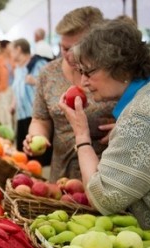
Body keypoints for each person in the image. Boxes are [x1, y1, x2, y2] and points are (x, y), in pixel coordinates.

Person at [58, 19, 150, 229]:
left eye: (88, 72)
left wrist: (81, 135)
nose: (83, 82)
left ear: (121, 68)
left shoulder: (139, 116)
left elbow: (104, 198)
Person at [23, 6, 116, 182]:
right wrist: (36, 136)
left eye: (76, 49)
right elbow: (40, 119)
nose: (69, 56)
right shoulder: (48, 73)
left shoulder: (112, 73)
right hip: (61, 176)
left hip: (105, 177)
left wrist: (124, 129)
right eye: (64, 48)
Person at [10, 38, 48, 151]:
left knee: (36, 150)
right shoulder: (17, 69)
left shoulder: (38, 64)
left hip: (36, 116)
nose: (11, 54)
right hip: (22, 115)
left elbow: (50, 84)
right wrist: (13, 104)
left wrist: (35, 81)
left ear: (18, 49)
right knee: (24, 151)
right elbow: (17, 89)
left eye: (12, 50)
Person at [0, 40, 14, 129]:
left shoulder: (13, 58)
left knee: (12, 112)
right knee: (4, 112)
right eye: (9, 46)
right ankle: (5, 132)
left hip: (13, 90)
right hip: (3, 89)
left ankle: (13, 133)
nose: (11, 48)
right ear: (4, 48)